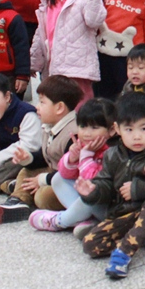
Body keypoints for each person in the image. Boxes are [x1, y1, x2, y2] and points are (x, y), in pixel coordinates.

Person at [79, 93, 145, 279]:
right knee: (91, 244)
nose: (136, 136)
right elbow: (106, 183)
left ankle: (124, 252)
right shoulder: (112, 155)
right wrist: (93, 191)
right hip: (128, 215)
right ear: (117, 129)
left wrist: (139, 189)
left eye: (143, 128)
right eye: (129, 130)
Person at [0, 74, 83, 224]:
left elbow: (71, 172)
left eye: (42, 103)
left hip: (70, 182)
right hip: (53, 173)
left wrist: (42, 180)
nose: (37, 107)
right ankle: (17, 201)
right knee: (25, 170)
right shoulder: (50, 126)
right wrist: (28, 158)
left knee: (43, 196)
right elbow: (46, 157)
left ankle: (14, 188)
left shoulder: (73, 134)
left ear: (59, 108)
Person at [29, 98, 116, 236]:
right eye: (82, 126)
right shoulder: (85, 146)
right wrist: (72, 158)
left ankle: (59, 221)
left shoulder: (112, 152)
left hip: (106, 206)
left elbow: (94, 185)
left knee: (88, 196)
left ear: (111, 130)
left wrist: (86, 156)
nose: (87, 133)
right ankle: (85, 221)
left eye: (94, 127)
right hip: (90, 202)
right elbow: (65, 174)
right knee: (57, 178)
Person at [30, 0, 107, 104]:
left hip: (77, 70)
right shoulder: (48, 1)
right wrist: (34, 62)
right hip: (53, 69)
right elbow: (41, 35)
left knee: (79, 108)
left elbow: (94, 21)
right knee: (56, 109)